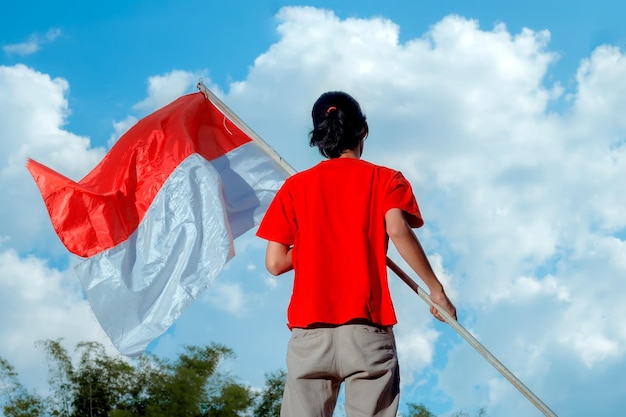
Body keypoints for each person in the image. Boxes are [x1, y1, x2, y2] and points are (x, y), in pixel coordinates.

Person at [256, 91, 457, 417]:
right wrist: (436, 290)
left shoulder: (295, 187)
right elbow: (397, 229)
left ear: (319, 135)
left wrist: (316, 240)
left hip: (310, 335)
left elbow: (275, 262)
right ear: (363, 130)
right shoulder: (386, 179)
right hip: (367, 332)